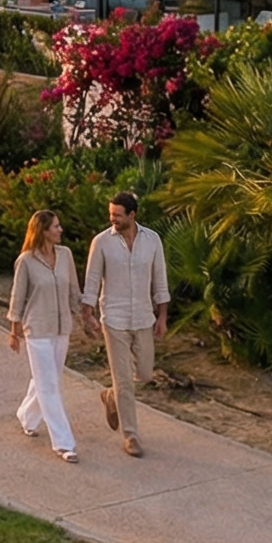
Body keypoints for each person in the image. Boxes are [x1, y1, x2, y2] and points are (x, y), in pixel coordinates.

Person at [81, 190, 170, 458]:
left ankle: (111, 396)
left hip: (144, 317)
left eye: (118, 216)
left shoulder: (152, 240)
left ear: (132, 215)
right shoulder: (101, 242)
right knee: (123, 379)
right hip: (115, 320)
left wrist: (162, 317)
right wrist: (88, 314)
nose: (113, 220)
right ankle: (131, 436)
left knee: (144, 374)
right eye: (111, 215)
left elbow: (160, 280)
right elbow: (92, 280)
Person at [5, 209, 85, 463]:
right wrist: (14, 331)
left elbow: (74, 290)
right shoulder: (26, 261)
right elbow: (17, 298)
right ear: (43, 231)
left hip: (61, 328)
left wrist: (86, 318)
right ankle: (64, 443)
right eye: (56, 227)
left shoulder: (66, 256)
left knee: (47, 380)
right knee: (49, 385)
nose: (61, 230)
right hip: (37, 330)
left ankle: (27, 416)